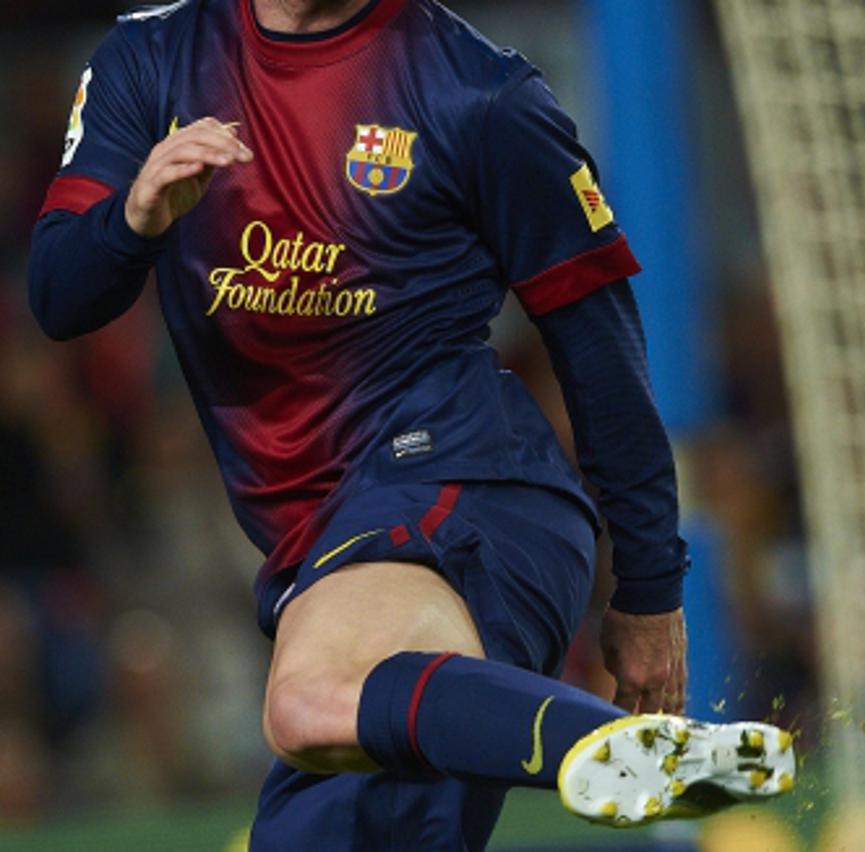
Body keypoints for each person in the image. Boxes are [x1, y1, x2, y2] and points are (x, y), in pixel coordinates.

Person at [28, 0, 795, 848]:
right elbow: (60, 295)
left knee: (309, 695)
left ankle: (619, 752)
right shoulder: (152, 58)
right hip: (322, 555)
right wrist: (134, 220)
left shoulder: (479, 92)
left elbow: (600, 348)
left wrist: (649, 591)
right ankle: (610, 750)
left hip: (475, 496)